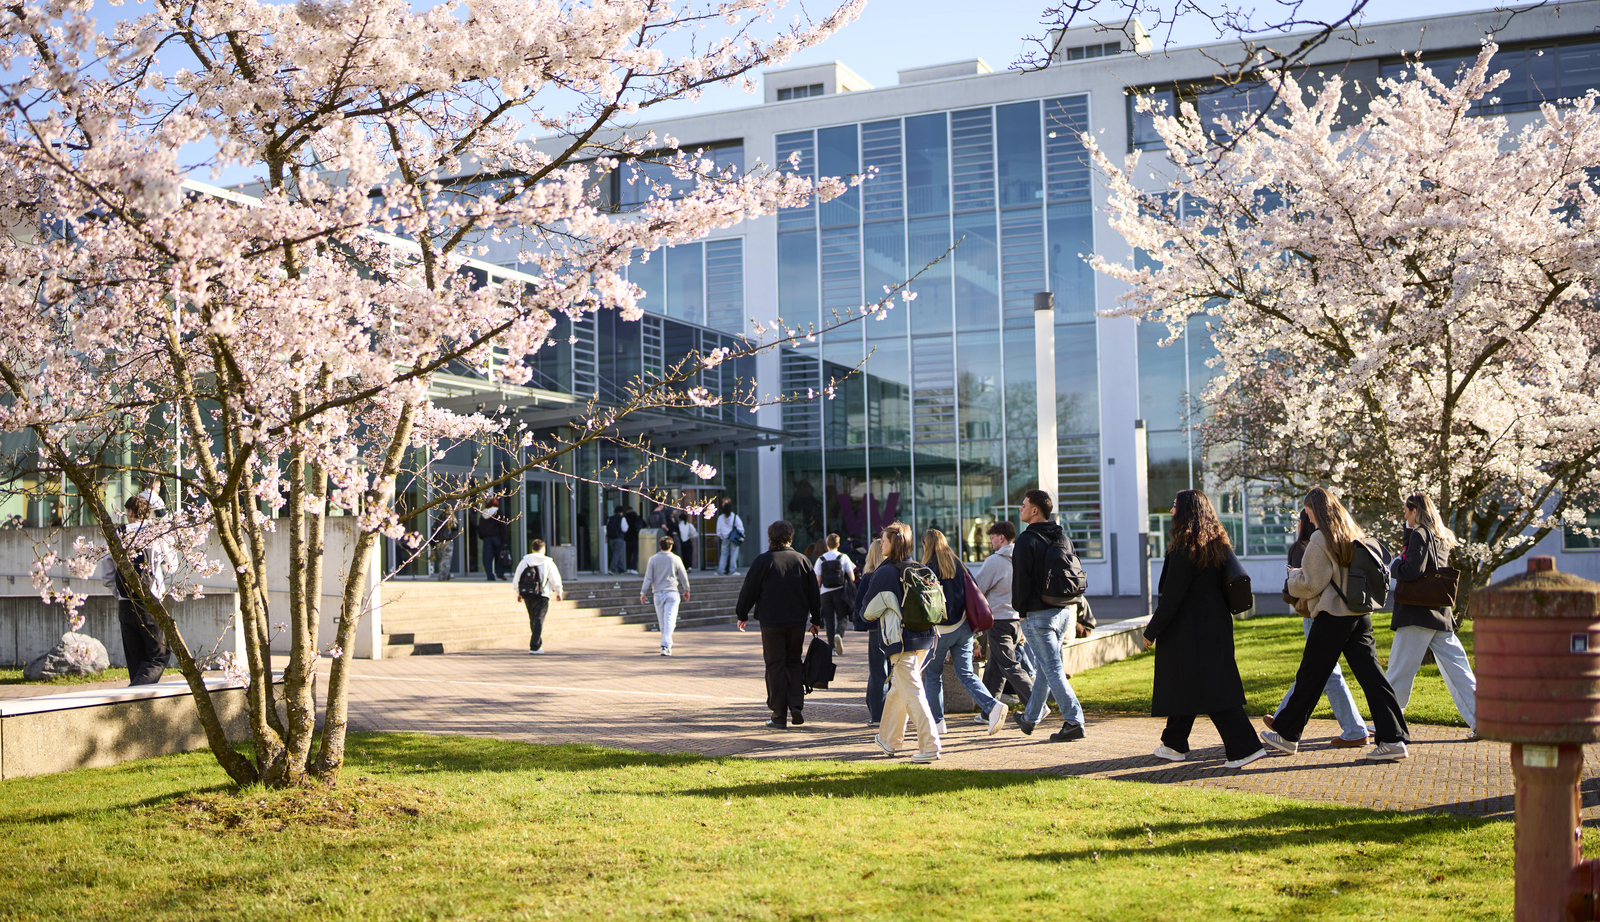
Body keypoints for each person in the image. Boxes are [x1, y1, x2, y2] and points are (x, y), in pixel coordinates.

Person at [1263, 487, 1412, 762]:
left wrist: (1293, 578)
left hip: (1333, 616)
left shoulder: (1321, 538)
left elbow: (1311, 583)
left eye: (1307, 510)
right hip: (1359, 615)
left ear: (1315, 509)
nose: (1306, 515)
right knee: (1373, 678)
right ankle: (1393, 739)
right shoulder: (1352, 533)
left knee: (1311, 675)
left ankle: (1285, 735)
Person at [1143, 491, 1268, 769]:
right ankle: (1174, 743)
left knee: (1213, 691)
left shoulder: (1183, 547)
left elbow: (1172, 597)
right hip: (1216, 627)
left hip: (1189, 633)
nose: (1172, 510)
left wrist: (1151, 631)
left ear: (1187, 511)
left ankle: (1245, 748)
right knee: (1189, 685)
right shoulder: (1217, 543)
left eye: (1176, 505)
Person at [1261, 510, 1370, 747]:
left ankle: (1354, 729)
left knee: (1323, 672)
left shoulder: (1306, 546)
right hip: (1342, 611)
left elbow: (1307, 585)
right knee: (1319, 670)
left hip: (1318, 614)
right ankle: (1285, 720)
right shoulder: (1338, 540)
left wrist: (1292, 579)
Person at [1385, 492, 1478, 737]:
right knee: (1458, 670)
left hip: (1416, 613)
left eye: (1407, 511)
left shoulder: (1419, 534)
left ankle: (1388, 724)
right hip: (1439, 613)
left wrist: (1393, 565)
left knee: (1398, 671)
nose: (1404, 515)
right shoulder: (1441, 536)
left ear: (1415, 510)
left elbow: (1411, 570)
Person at [1011, 489, 1090, 742]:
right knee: (1047, 668)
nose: (1020, 509)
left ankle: (1074, 721)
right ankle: (1030, 718)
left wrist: (1021, 613)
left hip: (1038, 615)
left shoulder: (1026, 540)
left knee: (1052, 668)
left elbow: (1021, 582)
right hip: (1063, 611)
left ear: (1035, 510)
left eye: (1023, 505)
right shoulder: (1062, 537)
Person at [861, 522, 941, 762]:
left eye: (884, 540)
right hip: (925, 638)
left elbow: (867, 612)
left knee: (913, 691)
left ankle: (930, 747)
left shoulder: (884, 572)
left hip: (901, 640)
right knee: (900, 687)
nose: (880, 543)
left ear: (893, 543)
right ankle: (888, 740)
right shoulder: (919, 567)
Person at [919, 529, 1008, 738]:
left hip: (939, 632)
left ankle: (938, 723)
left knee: (932, 676)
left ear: (927, 545)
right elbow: (975, 592)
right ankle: (992, 705)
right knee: (967, 674)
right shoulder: (958, 565)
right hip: (964, 629)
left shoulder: (927, 569)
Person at [735, 520, 821, 729]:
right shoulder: (802, 560)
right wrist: (816, 620)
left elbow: (749, 589)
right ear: (790, 537)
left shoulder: (763, 561)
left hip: (771, 622)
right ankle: (796, 705)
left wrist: (742, 613)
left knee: (774, 665)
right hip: (796, 622)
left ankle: (778, 714)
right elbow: (813, 594)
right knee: (793, 661)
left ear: (770, 537)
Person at [96, 496, 177, 685]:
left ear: (131, 513)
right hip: (150, 604)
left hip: (125, 606)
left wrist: (121, 595)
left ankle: (138, 704)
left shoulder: (117, 534)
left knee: (136, 661)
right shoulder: (157, 533)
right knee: (158, 656)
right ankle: (133, 691)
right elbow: (172, 564)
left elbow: (106, 576)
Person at [977, 520, 1033, 711]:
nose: (991, 542)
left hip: (999, 621)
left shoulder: (994, 561)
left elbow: (977, 589)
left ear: (1001, 537)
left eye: (992, 538)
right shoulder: (1022, 558)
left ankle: (1036, 705)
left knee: (1009, 666)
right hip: (1017, 620)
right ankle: (989, 711)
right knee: (995, 667)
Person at [852, 536, 890, 726]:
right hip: (893, 628)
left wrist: (862, 620)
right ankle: (888, 712)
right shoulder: (892, 573)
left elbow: (861, 605)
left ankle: (877, 715)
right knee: (891, 671)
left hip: (876, 628)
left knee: (877, 672)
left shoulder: (869, 577)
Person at [641, 534, 693, 656]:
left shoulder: (653, 559)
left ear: (660, 546)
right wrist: (687, 589)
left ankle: (666, 645)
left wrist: (643, 592)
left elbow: (648, 577)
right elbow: (683, 576)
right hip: (672, 592)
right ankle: (666, 645)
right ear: (671, 546)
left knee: (662, 621)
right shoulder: (676, 559)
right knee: (670, 620)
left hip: (658, 593)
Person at [513, 538, 564, 655]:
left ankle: (537, 644)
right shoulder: (548, 562)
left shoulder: (524, 561)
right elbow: (555, 578)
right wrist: (558, 592)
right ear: (543, 549)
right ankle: (534, 646)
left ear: (532, 548)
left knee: (533, 619)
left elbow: (517, 578)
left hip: (527, 594)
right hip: (543, 594)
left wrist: (518, 592)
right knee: (539, 619)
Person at [813, 533, 857, 655]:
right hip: (840, 592)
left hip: (825, 593)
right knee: (842, 617)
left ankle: (831, 647)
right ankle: (839, 634)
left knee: (829, 620)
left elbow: (818, 580)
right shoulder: (843, 557)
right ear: (838, 544)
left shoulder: (821, 559)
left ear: (827, 545)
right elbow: (852, 577)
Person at [478, 497, 510, 581]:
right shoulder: (498, 512)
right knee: (500, 556)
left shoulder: (483, 513)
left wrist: (482, 536)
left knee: (487, 558)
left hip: (487, 538)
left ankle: (490, 576)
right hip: (497, 537)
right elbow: (502, 526)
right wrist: (504, 540)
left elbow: (480, 527)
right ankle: (500, 574)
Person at [715, 500, 744, 576]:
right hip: (733, 538)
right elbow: (740, 528)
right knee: (734, 554)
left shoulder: (720, 518)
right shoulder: (734, 517)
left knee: (724, 554)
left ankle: (721, 570)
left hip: (725, 538)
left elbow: (718, 530)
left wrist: (721, 536)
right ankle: (732, 570)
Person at [430, 512, 462, 581]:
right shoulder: (451, 518)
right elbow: (456, 527)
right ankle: (443, 576)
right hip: (447, 541)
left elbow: (433, 531)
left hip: (439, 542)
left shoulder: (438, 519)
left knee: (441, 560)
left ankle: (446, 575)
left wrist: (432, 543)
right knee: (446, 559)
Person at [605, 507, 627, 574]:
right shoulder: (622, 518)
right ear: (622, 512)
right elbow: (625, 529)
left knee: (615, 553)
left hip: (611, 538)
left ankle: (621, 569)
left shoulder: (610, 518)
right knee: (616, 553)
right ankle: (612, 569)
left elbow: (607, 527)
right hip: (619, 538)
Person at [623, 505, 644, 573]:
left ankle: (628, 568)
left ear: (627, 511)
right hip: (635, 537)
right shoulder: (636, 517)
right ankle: (634, 568)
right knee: (635, 553)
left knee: (628, 554)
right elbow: (643, 524)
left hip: (628, 538)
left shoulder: (625, 517)